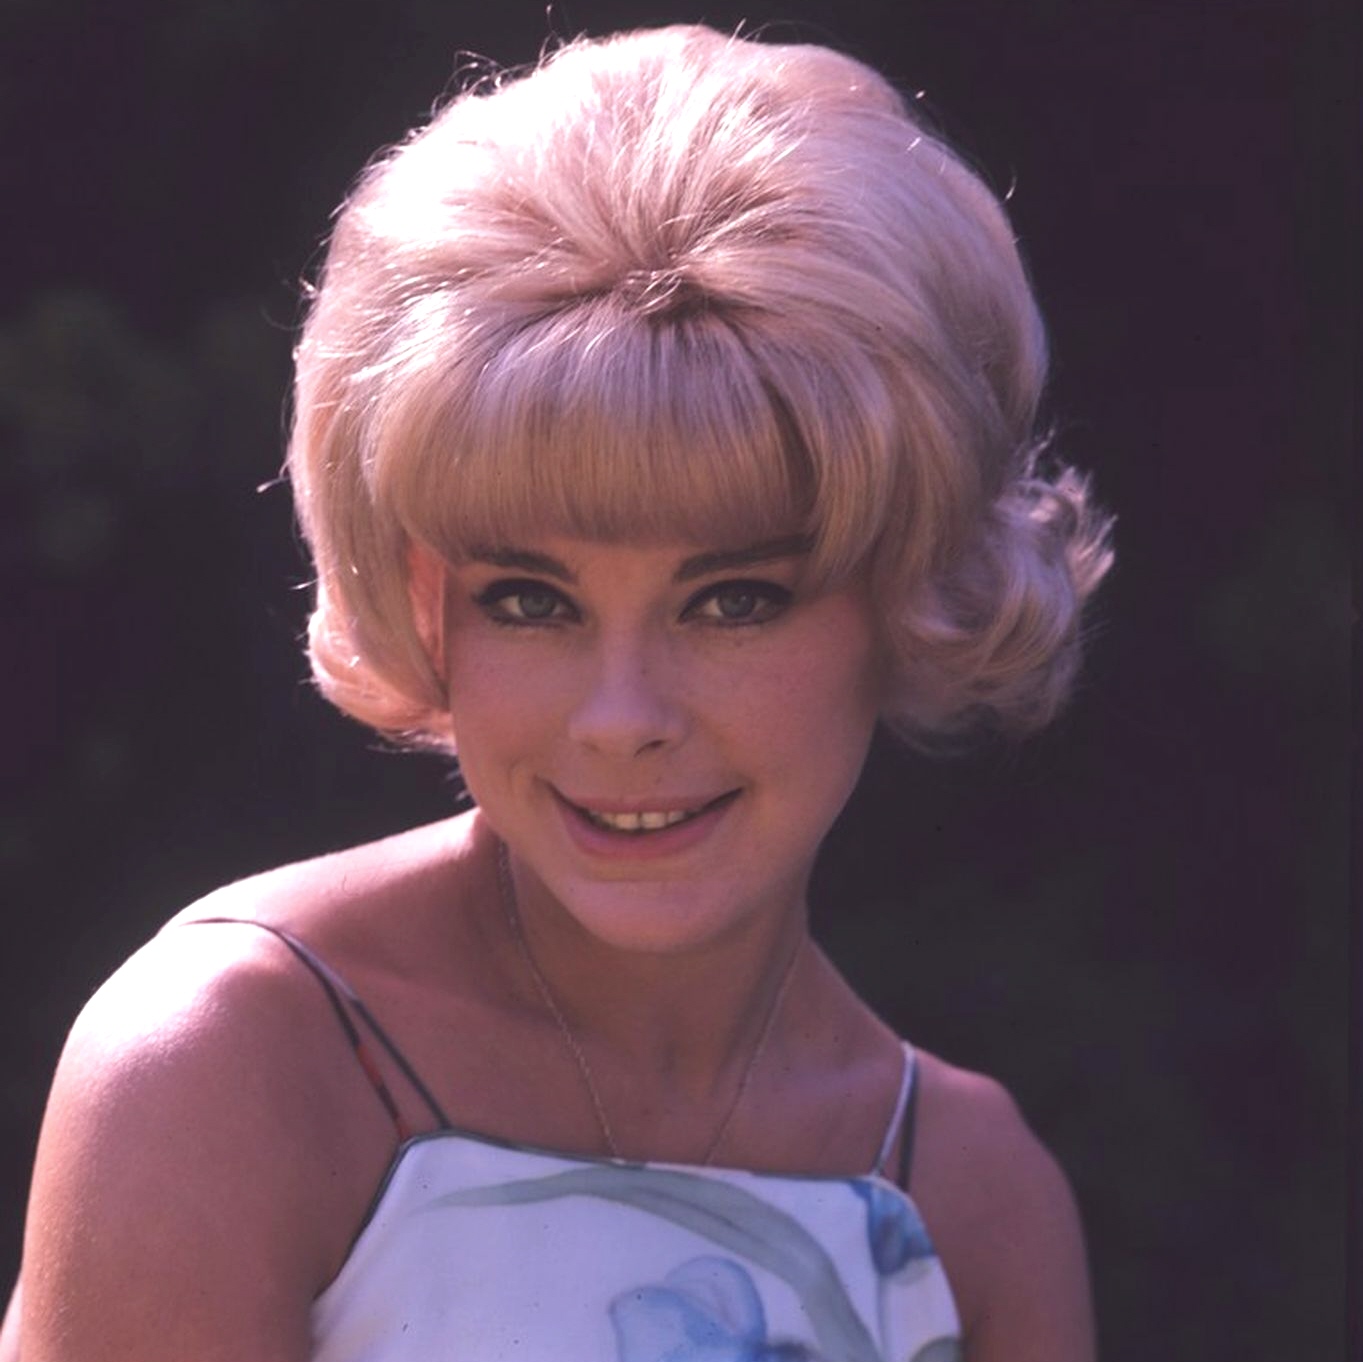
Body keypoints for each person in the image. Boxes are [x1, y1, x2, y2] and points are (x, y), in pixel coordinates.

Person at [8, 23, 1112, 1362]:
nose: (620, 718)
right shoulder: (232, 1066)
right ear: (428, 597)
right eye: (532, 599)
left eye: (732, 599)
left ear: (908, 587)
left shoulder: (974, 1203)